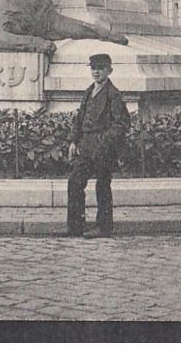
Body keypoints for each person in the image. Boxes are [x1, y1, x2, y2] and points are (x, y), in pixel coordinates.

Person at [65, 52, 131, 238]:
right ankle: (75, 226)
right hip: (85, 145)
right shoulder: (89, 91)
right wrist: (73, 141)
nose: (96, 72)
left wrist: (105, 141)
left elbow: (121, 123)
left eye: (100, 69)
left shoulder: (113, 95)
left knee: (102, 186)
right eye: (93, 68)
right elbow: (79, 118)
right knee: (75, 182)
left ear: (109, 70)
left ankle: (104, 227)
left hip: (104, 148)